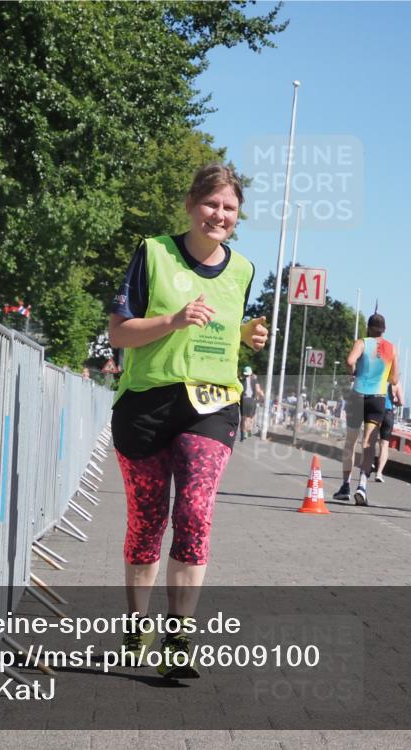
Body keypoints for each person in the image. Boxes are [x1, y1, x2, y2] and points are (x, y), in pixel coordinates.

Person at [108, 164, 268, 678]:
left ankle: (178, 637)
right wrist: (173, 320)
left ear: (238, 215)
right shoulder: (154, 252)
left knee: (195, 512)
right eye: (211, 204)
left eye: (230, 207)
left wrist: (243, 335)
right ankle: (137, 626)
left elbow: (218, 329)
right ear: (191, 205)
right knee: (147, 521)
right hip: (146, 404)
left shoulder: (243, 270)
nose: (219, 215)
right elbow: (118, 333)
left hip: (212, 406)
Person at [333, 313, 401, 506]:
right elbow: (394, 379)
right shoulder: (392, 348)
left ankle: (345, 486)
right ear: (384, 329)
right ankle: (362, 485)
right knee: (368, 443)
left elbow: (349, 361)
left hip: (358, 395)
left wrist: (354, 373)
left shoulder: (362, 342)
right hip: (378, 398)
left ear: (368, 327)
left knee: (350, 442)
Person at [373, 383, 398, 482]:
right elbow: (401, 401)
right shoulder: (395, 384)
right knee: (384, 445)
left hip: (376, 411)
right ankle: (379, 473)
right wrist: (395, 401)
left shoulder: (377, 378)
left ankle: (369, 462)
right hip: (388, 413)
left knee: (370, 439)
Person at [239, 365, 263, 440]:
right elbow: (258, 390)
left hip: (244, 400)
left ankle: (243, 432)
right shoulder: (254, 381)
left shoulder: (241, 381)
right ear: (251, 373)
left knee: (243, 417)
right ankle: (247, 430)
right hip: (252, 400)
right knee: (249, 418)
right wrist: (262, 397)